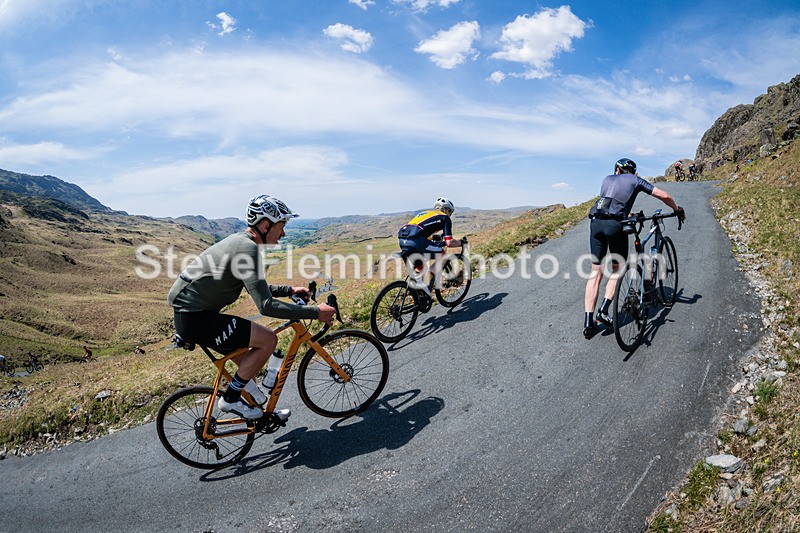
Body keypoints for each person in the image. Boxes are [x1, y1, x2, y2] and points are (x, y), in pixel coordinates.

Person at [168, 194, 336, 420]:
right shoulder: (246, 249)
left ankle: (262, 412)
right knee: (268, 340)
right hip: (196, 318)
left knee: (248, 365)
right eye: (281, 226)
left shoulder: (241, 242)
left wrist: (290, 291)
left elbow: (257, 286)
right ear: (265, 225)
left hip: (192, 316)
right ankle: (230, 400)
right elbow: (265, 305)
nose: (283, 233)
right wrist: (316, 312)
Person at [583, 158, 686, 339]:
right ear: (633, 171)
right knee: (617, 269)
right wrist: (677, 209)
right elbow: (663, 196)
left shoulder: (606, 179)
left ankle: (588, 323)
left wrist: (627, 213)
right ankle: (604, 310)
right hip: (615, 226)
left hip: (596, 224)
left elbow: (610, 204)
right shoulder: (635, 180)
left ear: (616, 171)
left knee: (595, 273)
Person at [397, 197, 464, 301]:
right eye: (450, 211)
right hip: (416, 241)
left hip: (403, 239)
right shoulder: (445, 218)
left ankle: (421, 293)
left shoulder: (426, 213)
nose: (450, 214)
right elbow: (449, 242)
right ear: (446, 209)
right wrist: (461, 242)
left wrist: (433, 237)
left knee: (422, 269)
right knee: (442, 255)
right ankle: (422, 284)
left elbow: (421, 230)